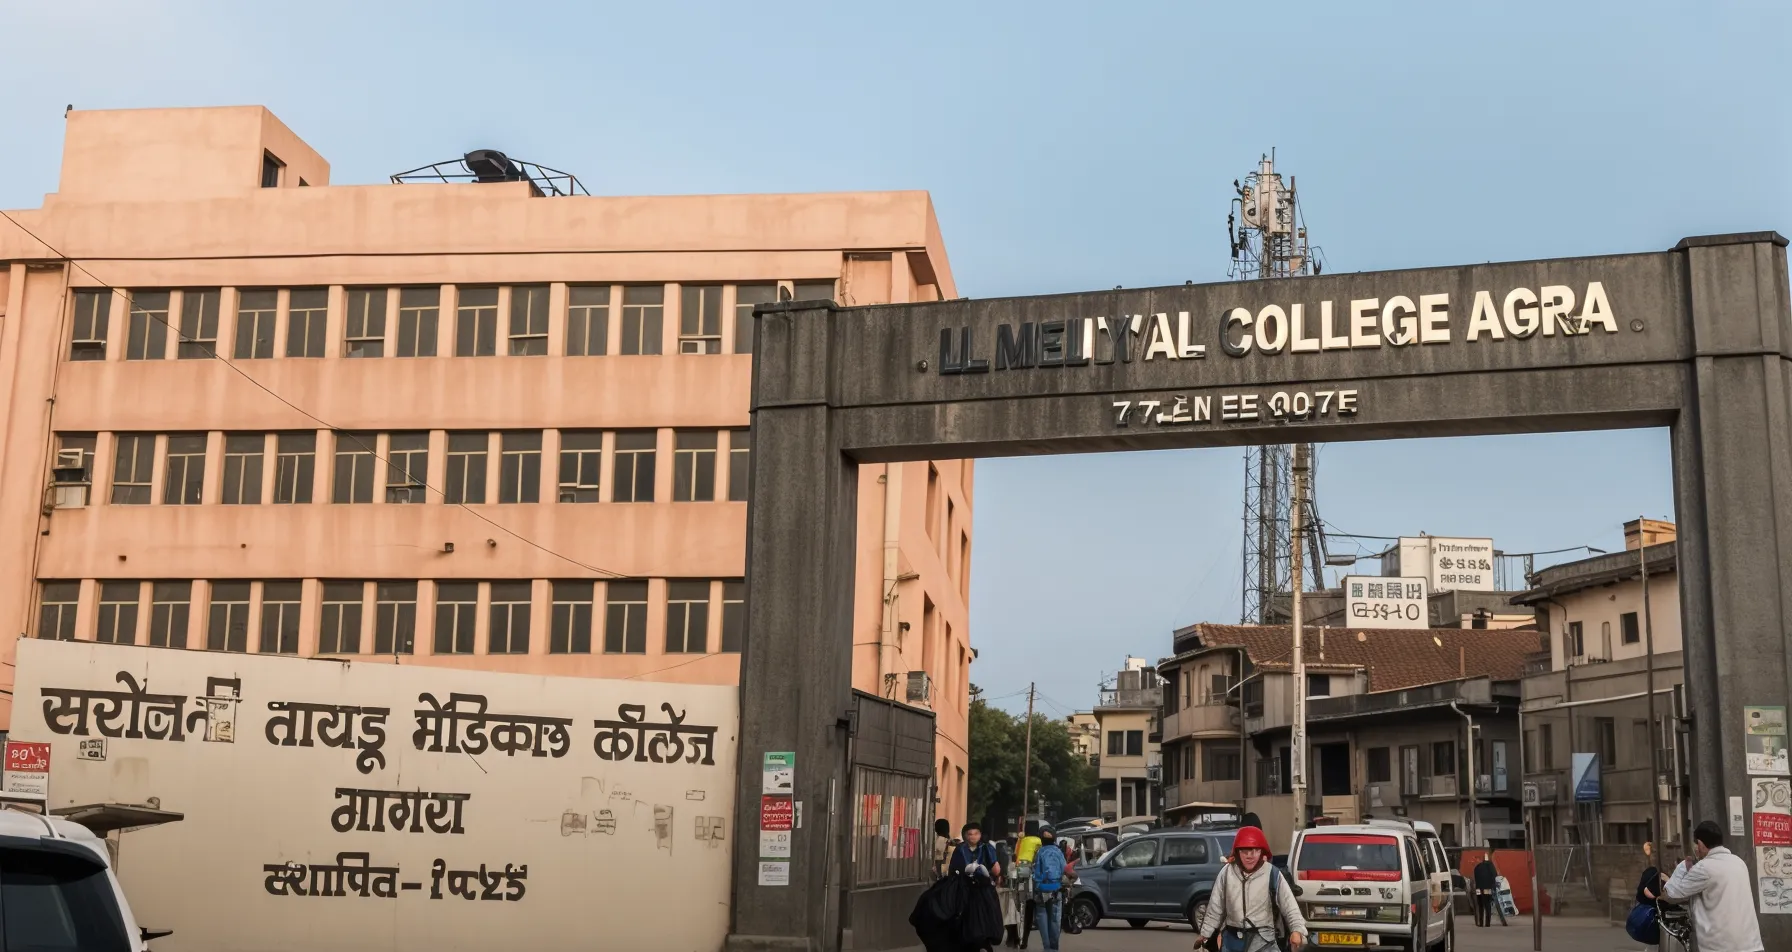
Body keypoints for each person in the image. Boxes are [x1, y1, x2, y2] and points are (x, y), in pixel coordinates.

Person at [1195, 826, 1307, 952]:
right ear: (1237, 852)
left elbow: (1289, 906)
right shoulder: (1226, 873)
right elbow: (1215, 908)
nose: (1250, 856)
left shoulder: (1272, 874)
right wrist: (1205, 934)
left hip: (1264, 941)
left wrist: (1297, 930)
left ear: (1261, 852)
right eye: (1245, 851)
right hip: (1232, 941)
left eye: (1254, 851)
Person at [1661, 820, 1765, 952]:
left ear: (1700, 844)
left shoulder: (1704, 868)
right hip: (1752, 945)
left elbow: (1671, 893)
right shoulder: (1739, 863)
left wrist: (1684, 866)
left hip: (1722, 947)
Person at [1029, 829, 1067, 952]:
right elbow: (1065, 869)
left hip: (1041, 890)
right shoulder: (1058, 852)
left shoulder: (1039, 852)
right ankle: (1054, 947)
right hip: (1056, 889)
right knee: (1055, 920)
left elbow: (1034, 870)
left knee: (1042, 919)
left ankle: (1047, 948)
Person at [1473, 853, 1506, 926]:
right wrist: (1494, 886)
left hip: (1478, 889)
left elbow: (1475, 877)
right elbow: (1494, 875)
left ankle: (1480, 923)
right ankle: (1487, 923)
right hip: (1487, 888)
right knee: (1487, 905)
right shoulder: (1490, 866)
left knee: (1480, 905)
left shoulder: (1477, 867)